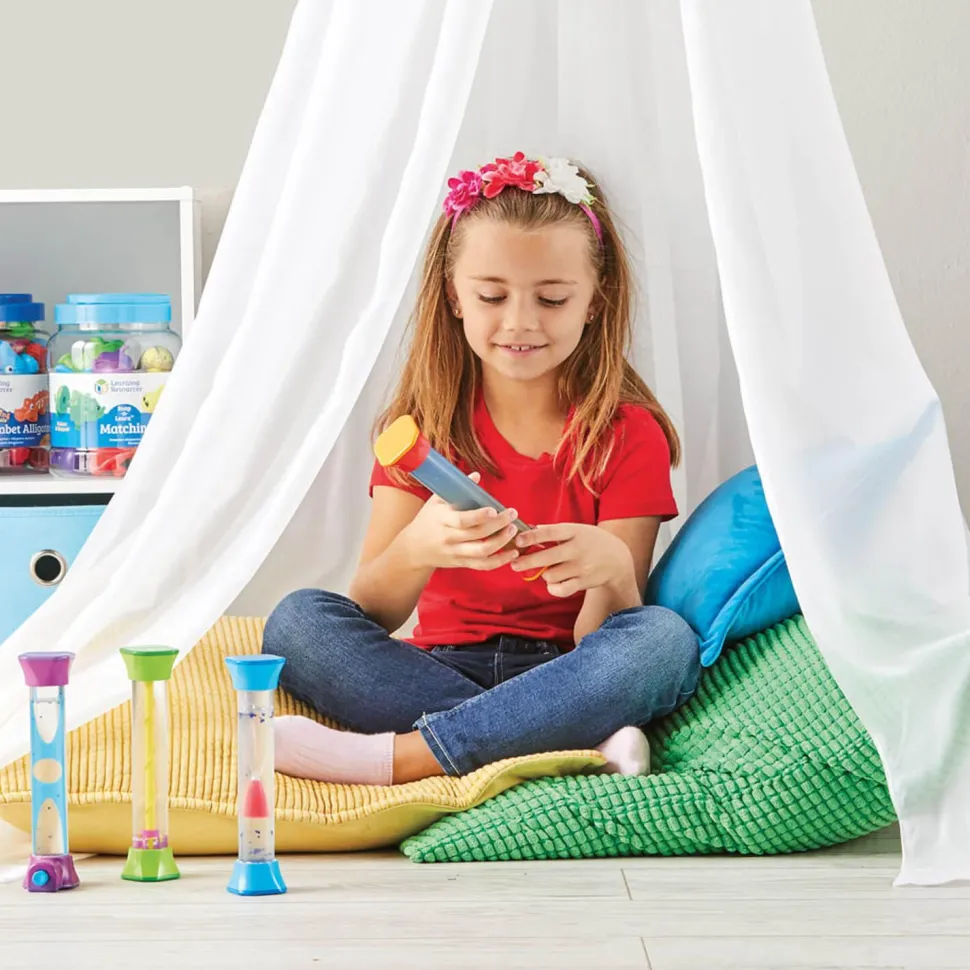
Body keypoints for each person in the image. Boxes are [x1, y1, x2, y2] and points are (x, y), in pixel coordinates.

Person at [262, 152, 700, 786]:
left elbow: (604, 636)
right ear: (454, 297)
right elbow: (373, 611)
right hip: (435, 670)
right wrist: (417, 548)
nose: (520, 322)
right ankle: (560, 746)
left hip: (568, 674)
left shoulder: (628, 434)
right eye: (492, 296)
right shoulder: (421, 428)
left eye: (552, 298)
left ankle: (406, 758)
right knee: (298, 621)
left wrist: (610, 573)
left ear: (595, 300)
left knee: (662, 640)